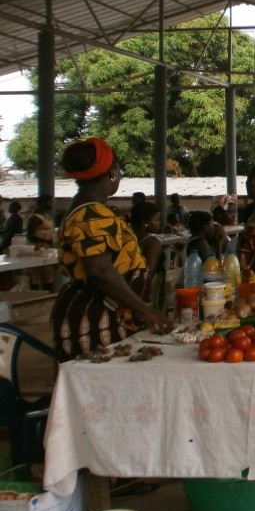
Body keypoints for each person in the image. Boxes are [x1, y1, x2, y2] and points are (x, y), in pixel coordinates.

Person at [51, 137, 171, 362]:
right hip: (96, 317)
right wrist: (145, 309)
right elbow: (99, 271)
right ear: (111, 173)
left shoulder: (88, 208)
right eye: (118, 168)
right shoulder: (91, 215)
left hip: (110, 312)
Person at [129, 201, 165, 309]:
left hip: (129, 292)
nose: (159, 223)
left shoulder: (128, 239)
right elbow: (148, 273)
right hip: (145, 296)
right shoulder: (152, 242)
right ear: (145, 222)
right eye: (156, 220)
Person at [25, 195, 56, 290]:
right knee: (35, 277)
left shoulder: (47, 217)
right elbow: (30, 236)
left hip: (47, 250)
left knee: (48, 277)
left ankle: (48, 300)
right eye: (50, 202)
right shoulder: (34, 218)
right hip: (37, 250)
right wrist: (46, 241)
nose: (52, 204)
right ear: (43, 203)